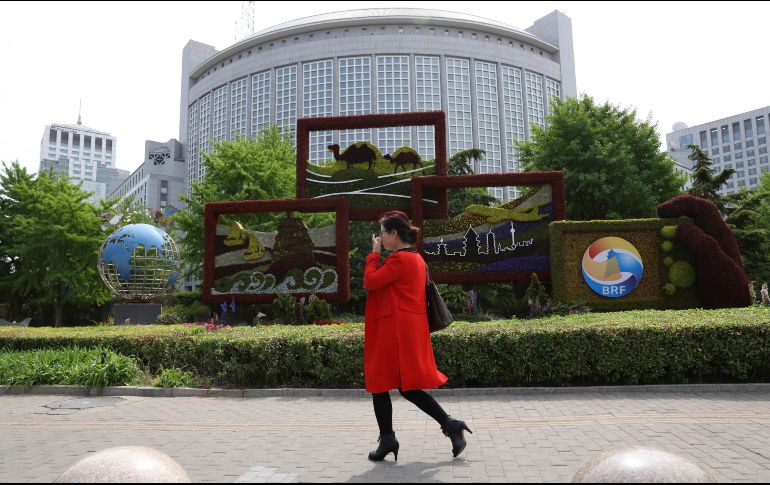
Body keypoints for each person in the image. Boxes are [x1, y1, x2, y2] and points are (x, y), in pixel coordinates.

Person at [364, 210, 472, 462]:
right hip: (405, 330)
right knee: (407, 387)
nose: (380, 238)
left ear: (393, 233)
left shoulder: (399, 260)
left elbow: (370, 281)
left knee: (380, 384)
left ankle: (389, 439)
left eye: (382, 233)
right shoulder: (416, 259)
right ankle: (450, 424)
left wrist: (374, 254)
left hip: (395, 333)